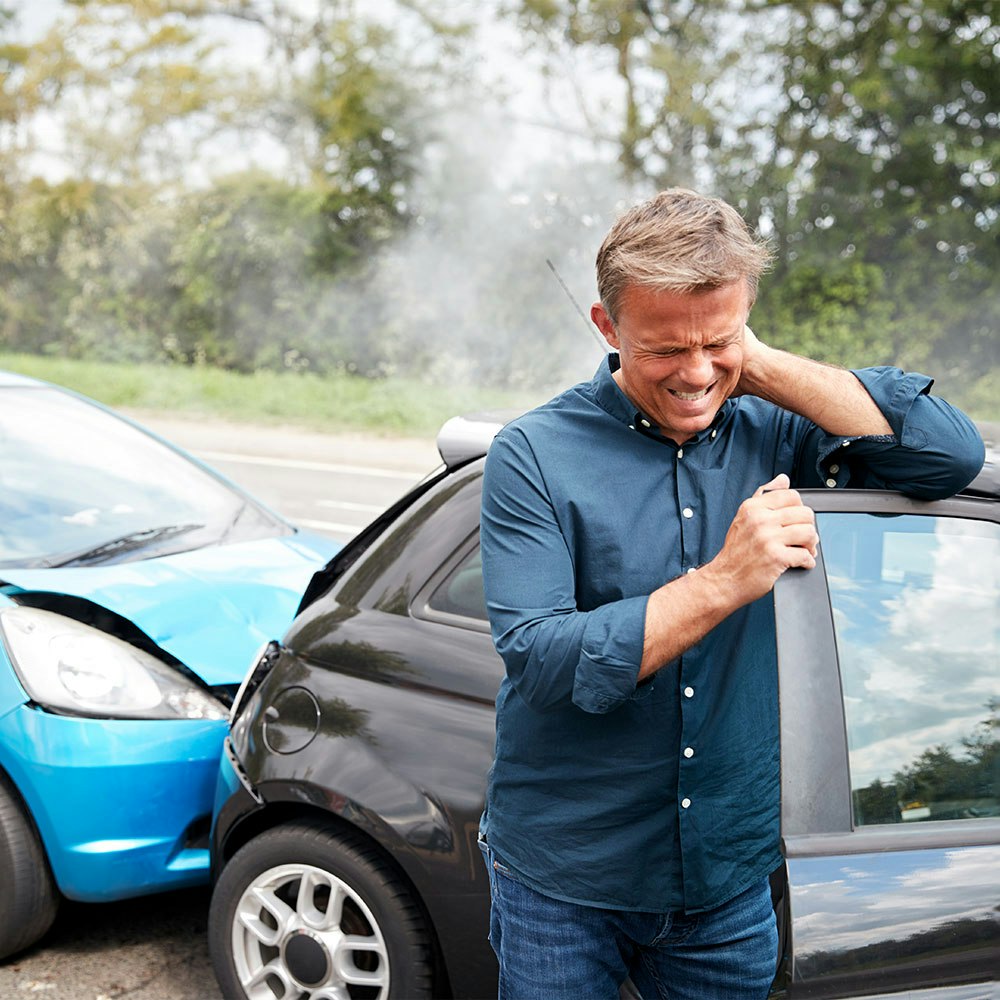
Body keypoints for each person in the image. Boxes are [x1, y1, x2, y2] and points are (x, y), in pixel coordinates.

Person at [477, 188, 984, 1000]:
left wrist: (757, 359)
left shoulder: (779, 426)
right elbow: (541, 658)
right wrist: (723, 580)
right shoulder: (532, 454)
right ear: (608, 328)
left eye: (718, 341)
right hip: (563, 878)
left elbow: (947, 458)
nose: (697, 374)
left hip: (726, 882)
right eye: (665, 349)